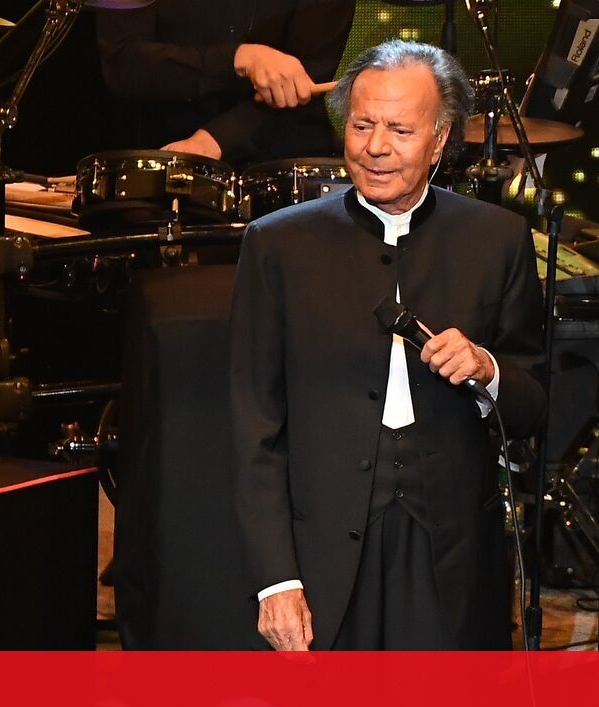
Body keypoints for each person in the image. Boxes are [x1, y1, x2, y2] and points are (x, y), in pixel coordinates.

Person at [229, 40, 546, 651]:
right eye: (361, 125)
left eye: (399, 130)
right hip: (320, 557)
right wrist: (275, 580)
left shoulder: (498, 239)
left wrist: (487, 370)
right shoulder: (277, 245)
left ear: (440, 138)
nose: (375, 147)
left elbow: (535, 404)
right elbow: (252, 425)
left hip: (455, 558)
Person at [94, 1, 355, 164]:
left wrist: (214, 139)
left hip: (281, 157)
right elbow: (123, 63)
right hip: (158, 154)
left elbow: (304, 81)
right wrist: (237, 59)